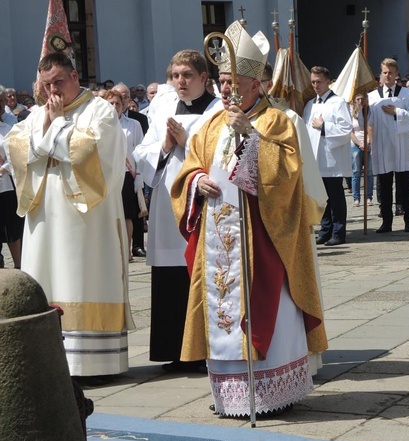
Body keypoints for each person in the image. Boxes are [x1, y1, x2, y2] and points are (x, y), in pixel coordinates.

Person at [171, 22, 327, 417]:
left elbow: (287, 173)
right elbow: (190, 167)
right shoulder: (210, 124)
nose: (225, 89)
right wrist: (197, 180)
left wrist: (252, 139)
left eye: (233, 81)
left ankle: (271, 391)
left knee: (264, 303)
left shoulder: (276, 120)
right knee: (220, 304)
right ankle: (228, 394)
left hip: (263, 236)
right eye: (222, 81)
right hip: (218, 237)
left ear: (255, 83)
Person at [0, 52, 133, 381]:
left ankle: (94, 364)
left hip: (87, 220)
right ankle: (47, 358)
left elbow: (89, 151)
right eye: (46, 85)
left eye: (58, 82)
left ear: (75, 76)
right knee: (45, 277)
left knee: (82, 274)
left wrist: (55, 126)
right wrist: (47, 125)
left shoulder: (99, 109)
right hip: (44, 216)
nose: (52, 91)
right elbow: (15, 145)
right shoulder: (38, 113)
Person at [134, 50, 220, 372]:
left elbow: (222, 157)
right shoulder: (163, 109)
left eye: (187, 75)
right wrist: (166, 147)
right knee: (169, 279)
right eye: (175, 76)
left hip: (200, 206)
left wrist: (187, 142)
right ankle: (173, 350)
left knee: (198, 275)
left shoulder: (218, 111)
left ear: (203, 79)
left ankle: (201, 351)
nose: (180, 82)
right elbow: (142, 152)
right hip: (166, 207)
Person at [368, 58, 409, 233]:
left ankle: (408, 220)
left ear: (396, 74)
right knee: (384, 185)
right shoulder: (373, 95)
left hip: (401, 143)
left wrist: (397, 111)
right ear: (381, 74)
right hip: (382, 144)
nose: (388, 75)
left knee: (405, 183)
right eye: (385, 72)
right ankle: (386, 221)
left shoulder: (406, 93)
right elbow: (366, 119)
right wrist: (360, 108)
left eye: (391, 72)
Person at [304, 65, 353, 247]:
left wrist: (324, 127)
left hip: (331, 160)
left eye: (319, 82)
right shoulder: (310, 104)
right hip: (316, 159)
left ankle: (338, 232)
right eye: (313, 82)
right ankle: (325, 230)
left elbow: (346, 128)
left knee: (335, 197)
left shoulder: (338, 103)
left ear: (328, 82)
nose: (315, 85)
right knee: (321, 197)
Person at [104, 89, 144, 262]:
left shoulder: (133, 124)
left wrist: (140, 175)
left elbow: (141, 150)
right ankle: (112, 251)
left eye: (118, 103)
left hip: (128, 174)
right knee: (111, 214)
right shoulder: (101, 124)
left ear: (124, 105)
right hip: (107, 175)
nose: (115, 107)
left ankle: (127, 251)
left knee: (127, 215)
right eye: (111, 103)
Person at [0, 117, 22, 269]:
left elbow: (16, 153)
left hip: (5, 185)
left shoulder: (8, 128)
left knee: (11, 231)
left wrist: (4, 168)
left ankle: (19, 267)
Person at [350, 92, 374, 206]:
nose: (360, 101)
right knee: (356, 172)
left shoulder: (369, 111)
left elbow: (371, 128)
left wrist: (367, 142)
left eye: (362, 99)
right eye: (358, 99)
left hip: (367, 143)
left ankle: (369, 196)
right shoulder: (351, 112)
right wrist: (360, 143)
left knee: (369, 171)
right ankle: (356, 197)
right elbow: (350, 132)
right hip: (356, 144)